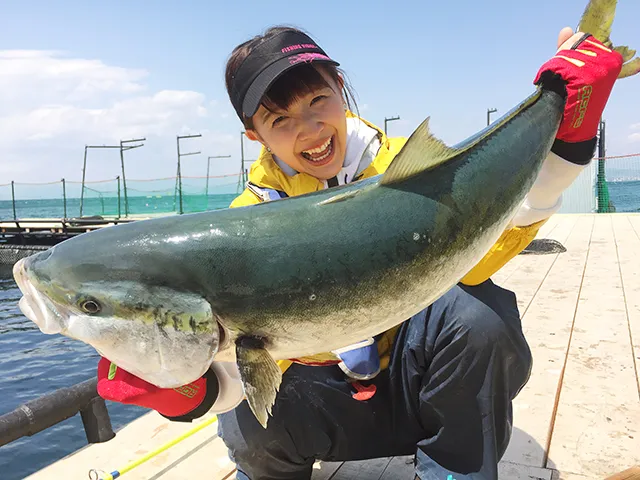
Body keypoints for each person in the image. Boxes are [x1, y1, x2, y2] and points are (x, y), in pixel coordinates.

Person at [96, 25, 623, 480]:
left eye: (317, 102)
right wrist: (188, 393)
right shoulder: (241, 227)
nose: (308, 128)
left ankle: (455, 468)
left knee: (479, 317)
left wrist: (566, 146)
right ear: (254, 135)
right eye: (279, 120)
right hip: (321, 411)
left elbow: (481, 251)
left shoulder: (412, 174)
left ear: (341, 91)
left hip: (414, 393)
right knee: (251, 412)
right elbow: (238, 362)